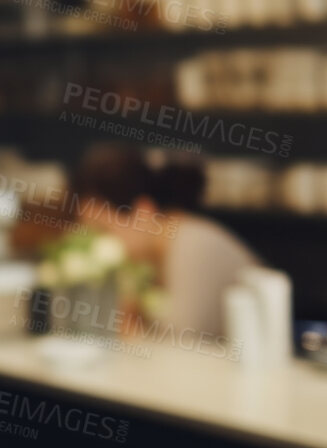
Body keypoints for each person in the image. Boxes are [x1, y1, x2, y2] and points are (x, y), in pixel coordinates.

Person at [71, 143, 259, 339]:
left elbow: (181, 343)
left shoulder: (194, 247)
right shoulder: (146, 259)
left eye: (103, 231)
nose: (96, 245)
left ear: (143, 212)